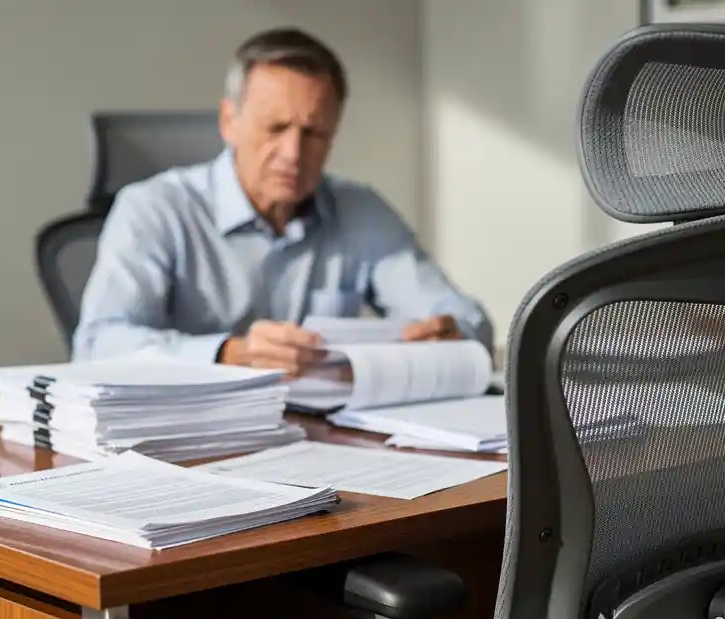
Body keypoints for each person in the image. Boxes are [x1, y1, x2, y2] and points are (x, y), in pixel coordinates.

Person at [72, 27, 492, 376]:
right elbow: (98, 344)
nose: (293, 153)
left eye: (313, 133)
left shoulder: (359, 209)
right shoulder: (153, 209)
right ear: (228, 122)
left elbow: (464, 317)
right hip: (186, 445)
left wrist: (453, 334)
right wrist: (230, 353)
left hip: (320, 441)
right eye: (275, 127)